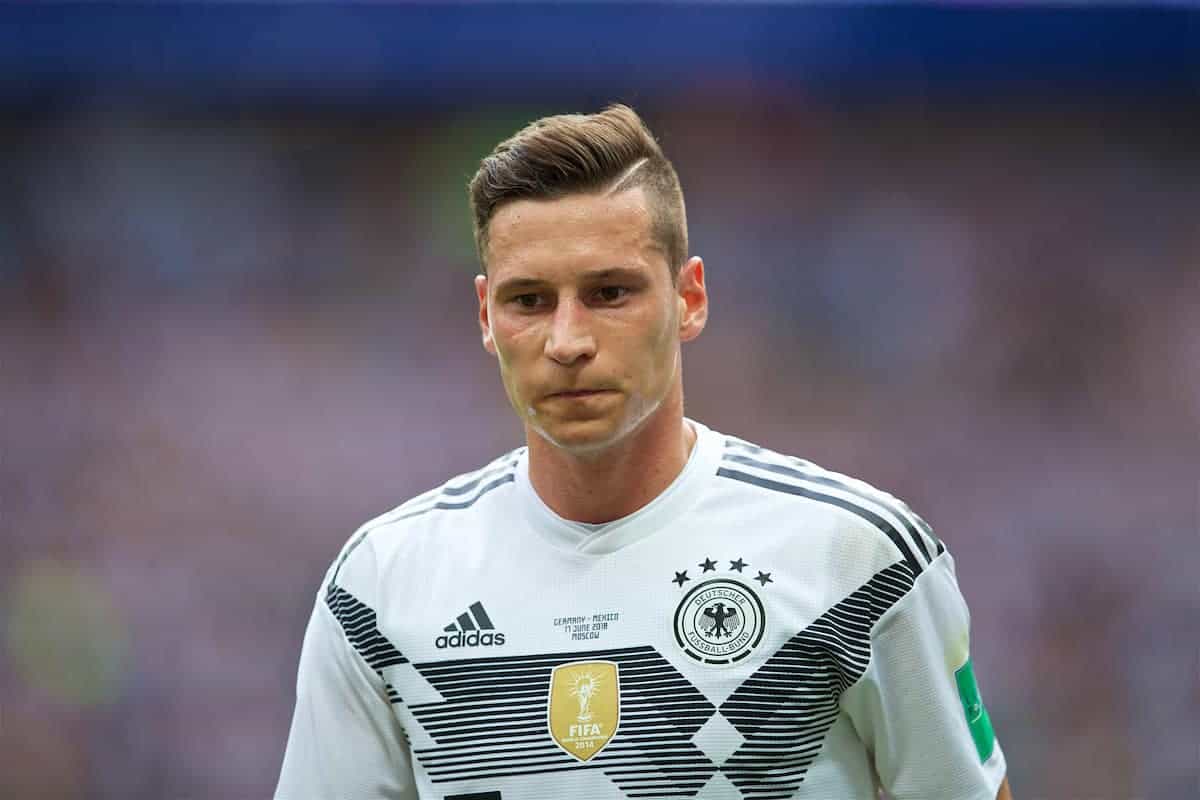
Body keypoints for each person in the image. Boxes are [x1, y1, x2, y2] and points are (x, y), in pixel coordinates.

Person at [276, 104, 1012, 800]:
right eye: (529, 301)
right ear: (485, 316)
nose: (567, 342)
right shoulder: (381, 585)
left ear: (689, 298)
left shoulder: (855, 559)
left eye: (610, 292)